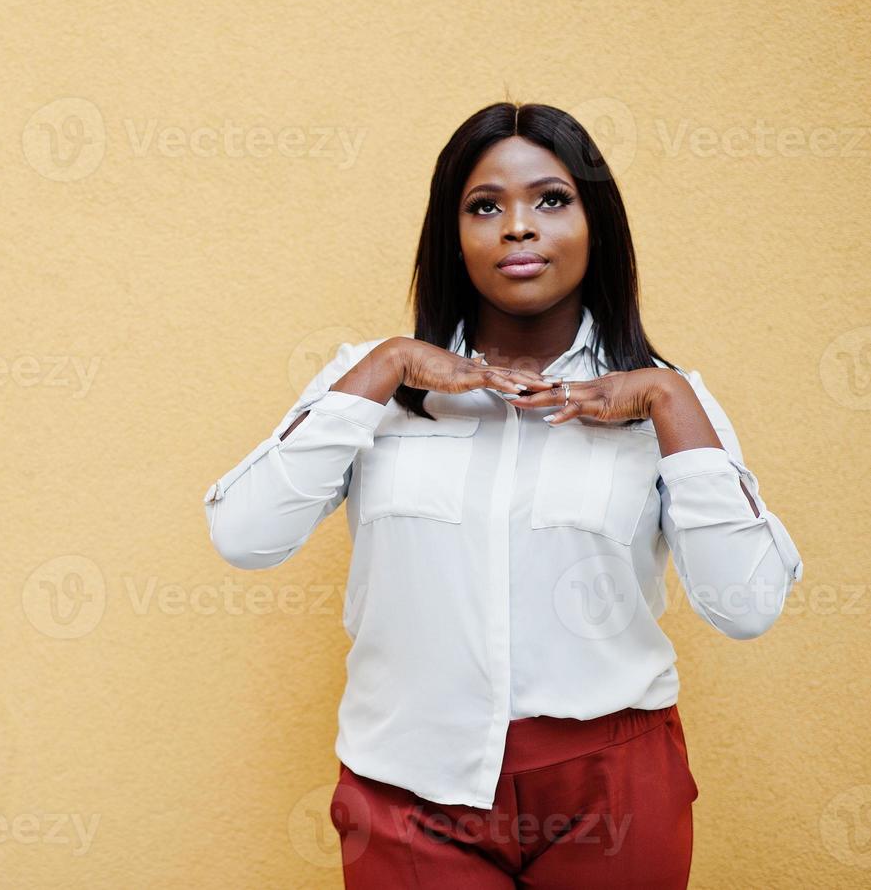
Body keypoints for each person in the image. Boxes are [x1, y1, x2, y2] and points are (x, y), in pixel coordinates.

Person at [202, 102, 805, 889]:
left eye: (550, 199)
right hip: (406, 786)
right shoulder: (372, 380)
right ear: (451, 236)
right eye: (484, 206)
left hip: (611, 785)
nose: (517, 227)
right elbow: (245, 535)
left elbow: (745, 605)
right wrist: (383, 368)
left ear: (598, 226)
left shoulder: (668, 400)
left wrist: (671, 403)